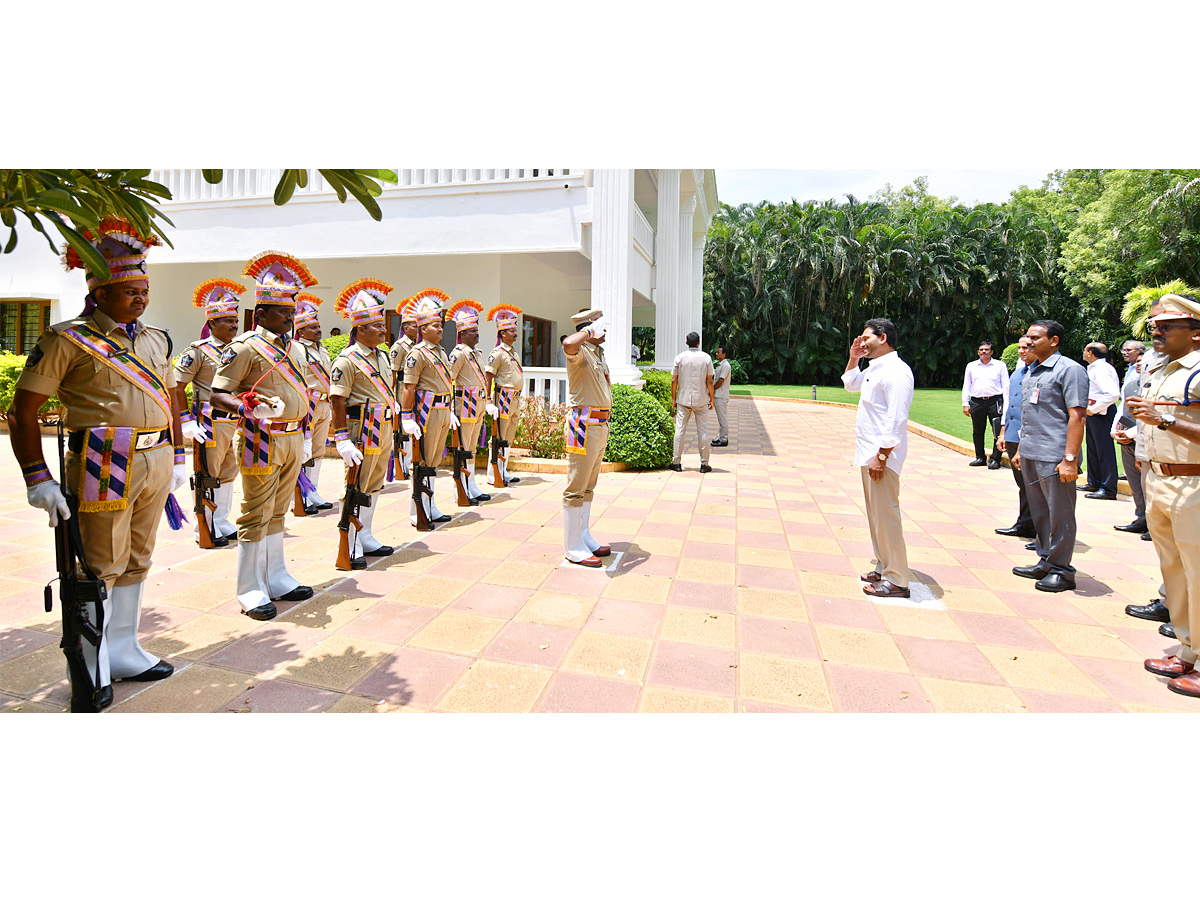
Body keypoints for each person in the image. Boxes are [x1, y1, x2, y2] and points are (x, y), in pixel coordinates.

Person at [9, 217, 181, 708]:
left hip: (155, 457)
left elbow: (171, 396)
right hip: (103, 460)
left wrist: (180, 455)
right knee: (97, 565)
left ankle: (124, 648)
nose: (140, 297)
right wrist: (36, 477)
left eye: (144, 289)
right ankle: (91, 659)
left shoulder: (155, 340)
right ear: (99, 293)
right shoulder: (67, 339)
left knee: (137, 559)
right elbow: (24, 410)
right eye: (129, 290)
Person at [210, 251, 318, 621]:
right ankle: (249, 588)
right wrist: (245, 408)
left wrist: (304, 434)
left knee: (278, 510)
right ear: (260, 315)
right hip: (260, 436)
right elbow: (217, 392)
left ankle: (277, 576)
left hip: (290, 437)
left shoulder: (296, 348)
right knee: (255, 511)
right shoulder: (245, 347)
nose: (289, 318)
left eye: (291, 312)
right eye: (281, 313)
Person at [1128, 293, 1200, 699]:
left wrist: (1165, 420)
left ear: (1195, 333)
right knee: (1175, 572)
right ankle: (1189, 650)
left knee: (1199, 573)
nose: (1156, 330)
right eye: (1155, 325)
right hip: (1159, 480)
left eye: (1167, 325)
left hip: (1193, 484)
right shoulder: (1162, 370)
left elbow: (1167, 420)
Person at [1011, 320, 1088, 592]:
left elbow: (1077, 416)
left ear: (1054, 340)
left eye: (1035, 337)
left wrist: (1070, 459)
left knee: (1060, 513)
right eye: (1027, 337)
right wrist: (1021, 449)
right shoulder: (1031, 371)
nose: (1028, 341)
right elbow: (1031, 416)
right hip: (1032, 452)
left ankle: (1061, 569)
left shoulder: (1070, 370)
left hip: (1054, 455)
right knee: (1041, 512)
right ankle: (1046, 559)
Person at [842, 318, 915, 599]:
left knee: (886, 515)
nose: (861, 342)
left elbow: (897, 417)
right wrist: (853, 358)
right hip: (868, 452)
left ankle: (897, 579)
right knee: (876, 516)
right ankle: (884, 565)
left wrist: (882, 456)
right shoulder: (875, 368)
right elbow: (850, 384)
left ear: (882, 338)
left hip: (881, 456)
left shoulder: (897, 372)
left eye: (865, 337)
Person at [329, 279, 398, 567]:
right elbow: (337, 401)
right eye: (377, 326)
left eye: (382, 325)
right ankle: (351, 540)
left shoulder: (381, 356)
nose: (383, 329)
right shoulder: (347, 360)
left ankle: (366, 533)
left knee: (374, 483)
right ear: (360, 329)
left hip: (381, 427)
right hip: (362, 428)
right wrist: (341, 438)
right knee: (356, 484)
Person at [175, 277, 246, 546]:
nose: (233, 325)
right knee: (208, 473)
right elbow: (177, 386)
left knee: (229, 471)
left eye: (235, 320)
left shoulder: (237, 351)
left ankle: (222, 520)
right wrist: (185, 421)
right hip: (209, 421)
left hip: (233, 421)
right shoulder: (198, 351)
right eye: (227, 320)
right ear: (212, 323)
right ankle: (203, 525)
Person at [401, 290, 458, 527]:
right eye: (435, 325)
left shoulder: (441, 352)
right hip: (428, 412)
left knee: (433, 462)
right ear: (422, 329)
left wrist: (451, 410)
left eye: (441, 325)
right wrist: (406, 417)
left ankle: (430, 504)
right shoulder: (417, 354)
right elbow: (408, 387)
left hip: (443, 411)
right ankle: (418, 509)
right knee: (423, 461)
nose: (441, 329)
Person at [562, 309, 612, 567]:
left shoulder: (598, 355)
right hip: (583, 425)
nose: (606, 330)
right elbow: (569, 343)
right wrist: (589, 331)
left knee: (588, 487)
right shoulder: (581, 353)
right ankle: (573, 547)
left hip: (599, 425)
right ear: (589, 329)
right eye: (601, 326)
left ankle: (583, 537)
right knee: (575, 488)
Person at [447, 299, 492, 504]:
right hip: (465, 405)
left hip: (479, 403)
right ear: (462, 334)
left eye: (477, 329)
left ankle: (471, 484)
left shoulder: (478, 353)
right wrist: (449, 410)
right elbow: (450, 381)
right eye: (472, 330)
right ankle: (462, 488)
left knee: (472, 448)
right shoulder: (458, 354)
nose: (477, 333)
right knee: (464, 447)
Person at [293, 294, 334, 514]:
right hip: (307, 405)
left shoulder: (322, 349)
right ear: (301, 331)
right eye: (312, 327)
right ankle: (297, 494)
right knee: (303, 449)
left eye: (318, 326)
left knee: (318, 450)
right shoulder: (297, 349)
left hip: (324, 404)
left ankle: (313, 490)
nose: (318, 330)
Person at [995, 336, 1036, 539]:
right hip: (1013, 433)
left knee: (1035, 485)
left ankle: (1041, 531)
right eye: (1019, 347)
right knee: (1022, 484)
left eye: (1026, 347)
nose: (1022, 351)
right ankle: (1026, 523)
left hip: (1032, 435)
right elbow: (1008, 404)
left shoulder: (1041, 374)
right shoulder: (1017, 373)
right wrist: (1003, 432)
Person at [484, 303, 524, 487]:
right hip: (504, 398)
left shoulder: (513, 352)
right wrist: (488, 400)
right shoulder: (497, 353)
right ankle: (493, 473)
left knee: (508, 437)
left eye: (515, 330)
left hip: (515, 397)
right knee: (499, 435)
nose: (515, 333)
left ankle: (503, 469)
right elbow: (488, 377)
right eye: (511, 330)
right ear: (502, 334)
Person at [1113, 339, 1148, 532]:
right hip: (1127, 437)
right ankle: (1141, 517)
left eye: (1143, 362)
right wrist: (1116, 430)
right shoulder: (1131, 384)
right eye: (1137, 362)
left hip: (1144, 439)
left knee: (1148, 485)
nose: (1138, 365)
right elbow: (1122, 409)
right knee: (1135, 483)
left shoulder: (1156, 386)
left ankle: (1153, 524)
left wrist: (1130, 433)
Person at [1077, 342, 1121, 499]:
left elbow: (1112, 394)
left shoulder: (1101, 369)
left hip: (1102, 413)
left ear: (1090, 352)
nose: (1083, 353)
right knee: (1093, 448)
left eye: (1084, 350)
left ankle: (1108, 488)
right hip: (1094, 412)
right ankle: (1094, 481)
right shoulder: (1096, 368)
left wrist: (1093, 409)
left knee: (1104, 450)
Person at [668, 332, 715, 473]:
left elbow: (674, 380)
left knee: (680, 430)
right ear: (698, 342)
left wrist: (673, 398)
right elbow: (710, 381)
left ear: (686, 342)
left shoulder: (680, 357)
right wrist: (712, 398)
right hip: (701, 399)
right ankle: (704, 464)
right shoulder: (706, 358)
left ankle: (676, 462)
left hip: (683, 399)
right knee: (703, 431)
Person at [961, 341, 1009, 468]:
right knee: (977, 431)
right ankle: (980, 457)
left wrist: (1006, 403)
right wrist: (965, 403)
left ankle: (995, 459)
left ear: (992, 352)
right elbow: (967, 385)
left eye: (987, 349)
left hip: (995, 400)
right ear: (978, 352)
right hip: (976, 401)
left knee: (997, 430)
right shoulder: (971, 366)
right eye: (981, 349)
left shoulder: (1000, 365)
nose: (984, 352)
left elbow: (1006, 385)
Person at [389, 298, 419, 479]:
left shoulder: (417, 345)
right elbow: (393, 372)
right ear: (406, 327)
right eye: (414, 326)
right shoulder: (399, 347)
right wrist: (393, 397)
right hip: (401, 387)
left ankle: (409, 462)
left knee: (412, 424)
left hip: (414, 388)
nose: (418, 329)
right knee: (401, 428)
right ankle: (400, 464)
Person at [711, 345, 731, 447]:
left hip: (721, 395)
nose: (716, 353)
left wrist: (712, 389)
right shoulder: (721, 364)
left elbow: (721, 380)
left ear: (724, 354)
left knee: (722, 418)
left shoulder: (726, 366)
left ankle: (724, 439)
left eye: (718, 352)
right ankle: (721, 437)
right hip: (718, 395)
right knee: (720, 418)